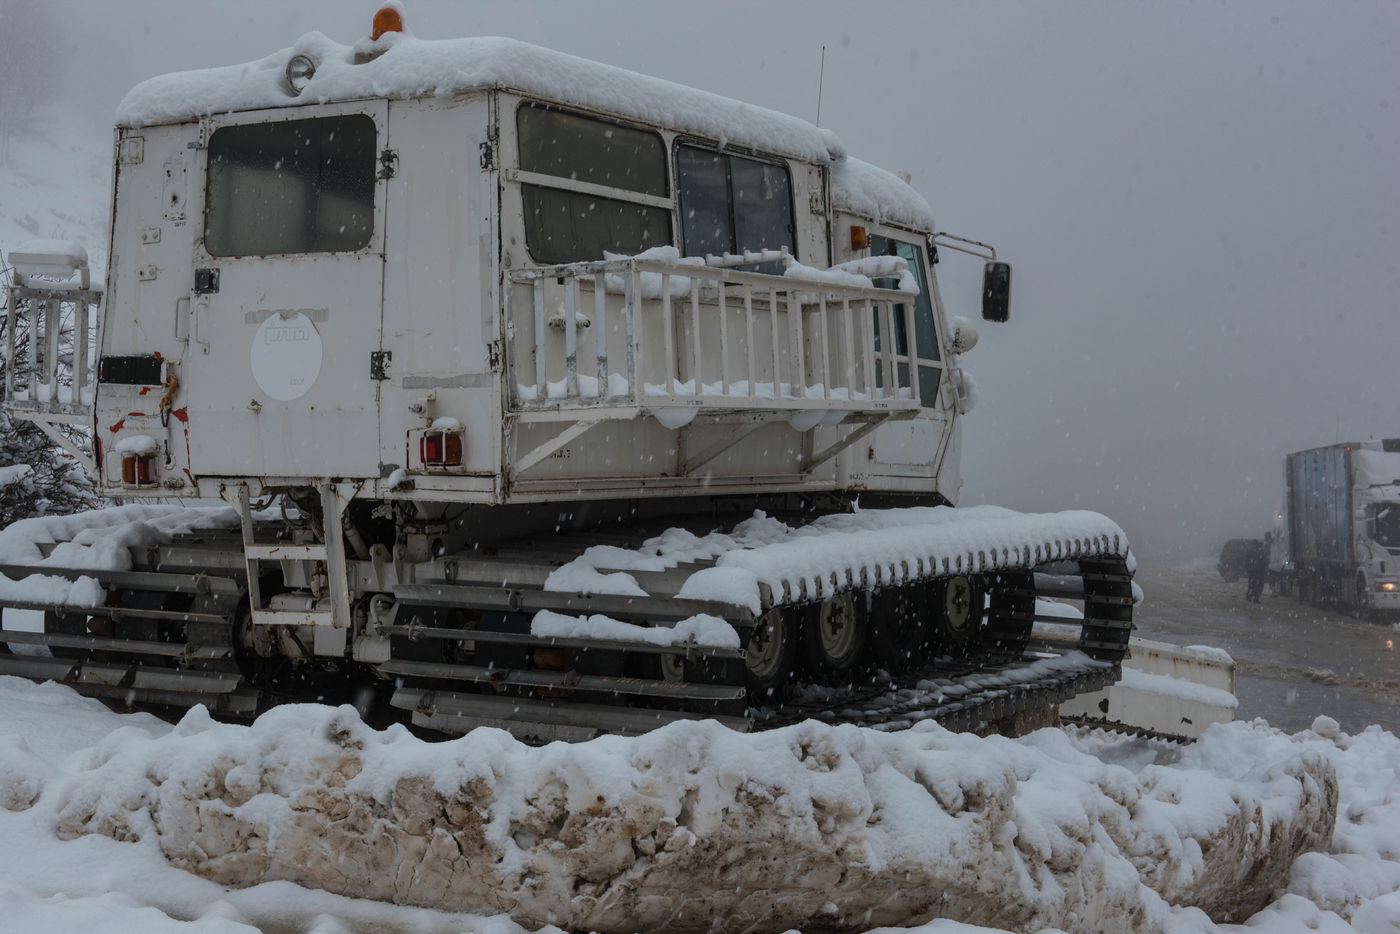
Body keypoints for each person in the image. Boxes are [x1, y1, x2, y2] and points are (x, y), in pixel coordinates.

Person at [1245, 538, 1268, 603]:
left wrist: (1247, 569)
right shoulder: (1261, 551)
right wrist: (1264, 569)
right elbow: (1264, 561)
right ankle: (1256, 598)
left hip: (1252, 571)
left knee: (1251, 584)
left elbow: (1246, 561)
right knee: (1259, 585)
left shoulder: (1250, 550)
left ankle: (1249, 596)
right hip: (1259, 571)